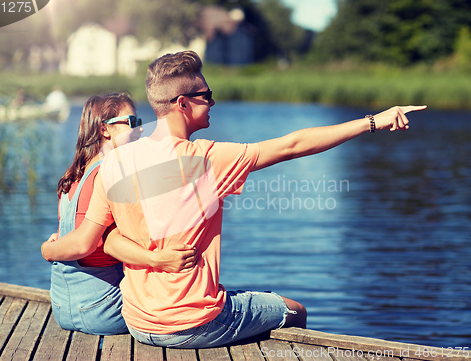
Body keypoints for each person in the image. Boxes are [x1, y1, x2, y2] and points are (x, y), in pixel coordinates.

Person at [42, 51, 426, 348]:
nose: (212, 101)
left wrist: (155, 257)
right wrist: (374, 121)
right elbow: (292, 145)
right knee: (294, 310)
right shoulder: (204, 160)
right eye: (206, 95)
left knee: (238, 293)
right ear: (182, 104)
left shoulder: (118, 161)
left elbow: (103, 237)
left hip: (140, 321)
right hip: (192, 324)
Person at [46, 92, 197, 335]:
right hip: (102, 308)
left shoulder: (73, 176)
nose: (140, 129)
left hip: (63, 307)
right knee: (182, 310)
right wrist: (47, 251)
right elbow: (86, 244)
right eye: (133, 122)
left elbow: (74, 231)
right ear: (105, 130)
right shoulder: (110, 172)